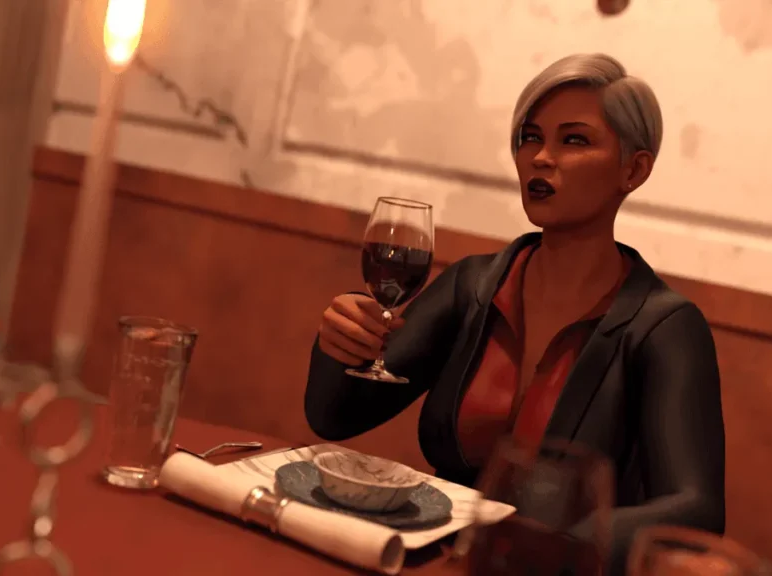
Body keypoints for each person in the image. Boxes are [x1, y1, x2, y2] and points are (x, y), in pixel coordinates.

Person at [304, 53, 725, 572]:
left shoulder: (663, 328)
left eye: (574, 140)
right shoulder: (474, 286)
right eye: (531, 137)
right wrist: (342, 341)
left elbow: (696, 511)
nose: (541, 158)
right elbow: (336, 415)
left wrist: (560, 543)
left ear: (633, 169)